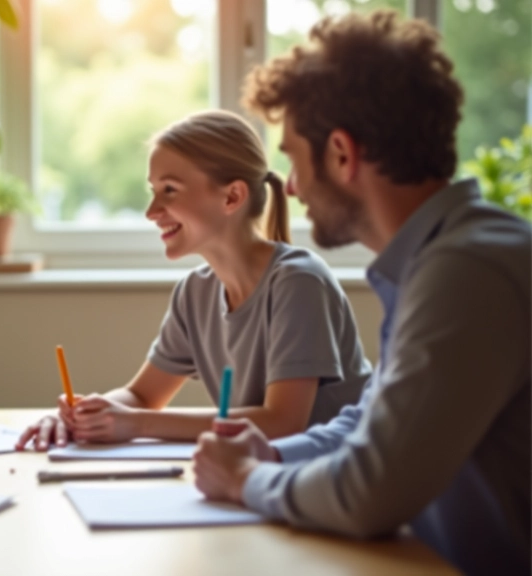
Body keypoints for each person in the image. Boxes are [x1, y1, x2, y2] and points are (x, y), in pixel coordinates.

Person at [191, 11, 530, 576]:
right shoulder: (436, 260)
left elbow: (372, 489)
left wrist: (246, 479)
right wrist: (272, 452)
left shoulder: (469, 271)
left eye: (295, 159)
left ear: (343, 155)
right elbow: (369, 419)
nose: (291, 187)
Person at [17, 110, 371, 451]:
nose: (152, 211)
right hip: (260, 475)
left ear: (231, 196)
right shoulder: (195, 292)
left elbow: (281, 423)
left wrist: (137, 423)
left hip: (329, 479)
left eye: (169, 190)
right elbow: (141, 396)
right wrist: (80, 416)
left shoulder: (298, 283)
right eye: (153, 190)